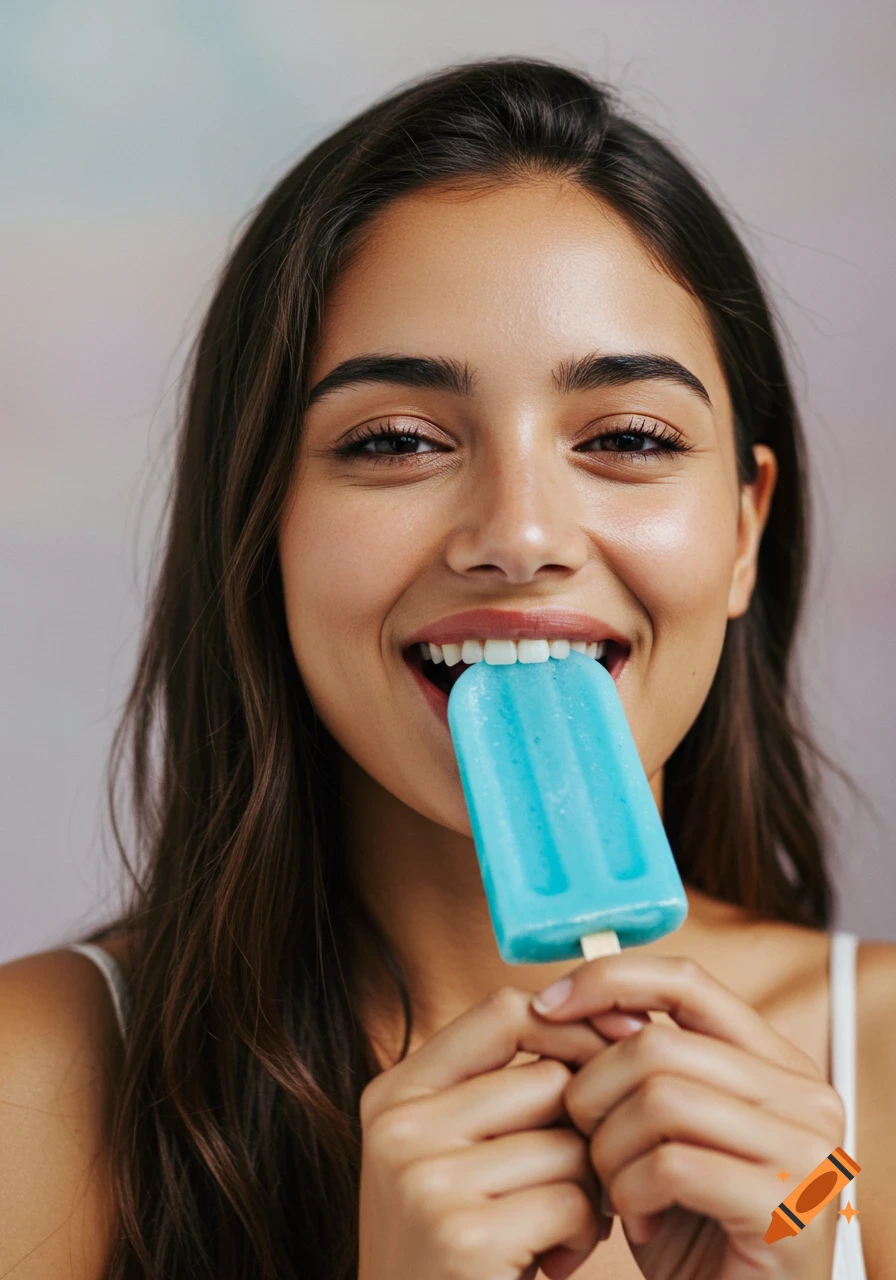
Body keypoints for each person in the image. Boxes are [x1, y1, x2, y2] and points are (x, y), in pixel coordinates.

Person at [0, 57, 891, 1280]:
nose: (518, 534)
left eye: (627, 436)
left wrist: (794, 1237)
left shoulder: (860, 1092)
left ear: (743, 531)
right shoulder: (37, 1092)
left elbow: (828, 1201)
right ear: (258, 526)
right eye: (395, 441)